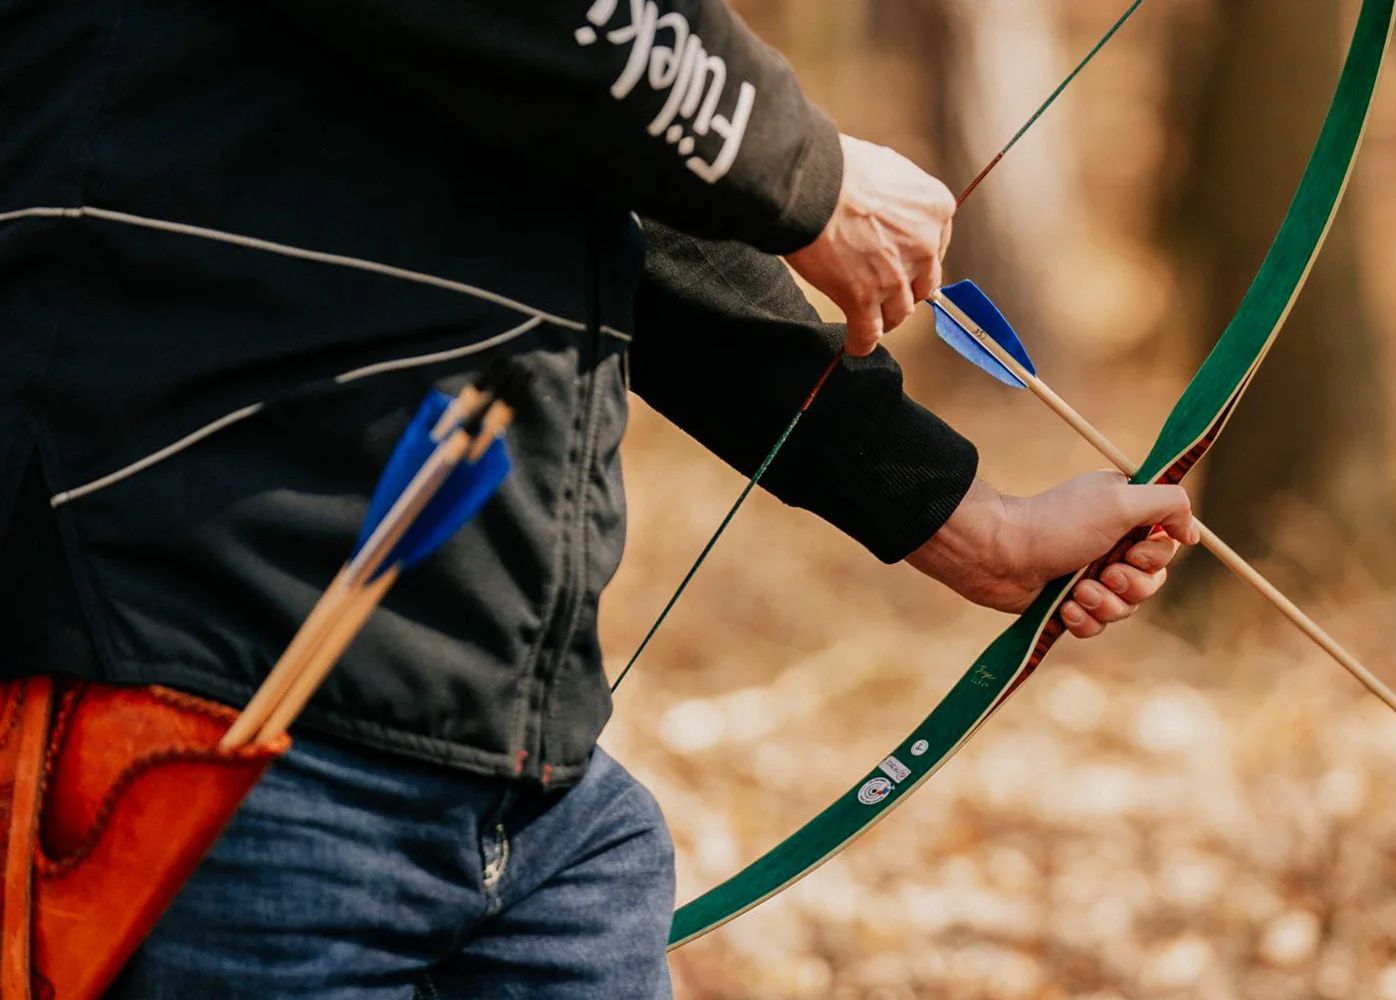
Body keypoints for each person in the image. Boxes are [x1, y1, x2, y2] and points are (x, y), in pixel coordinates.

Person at [0, 2, 1194, 997]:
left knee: (602, 860)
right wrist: (802, 169)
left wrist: (973, 525)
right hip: (206, 722)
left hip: (528, 782)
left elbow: (632, 215)